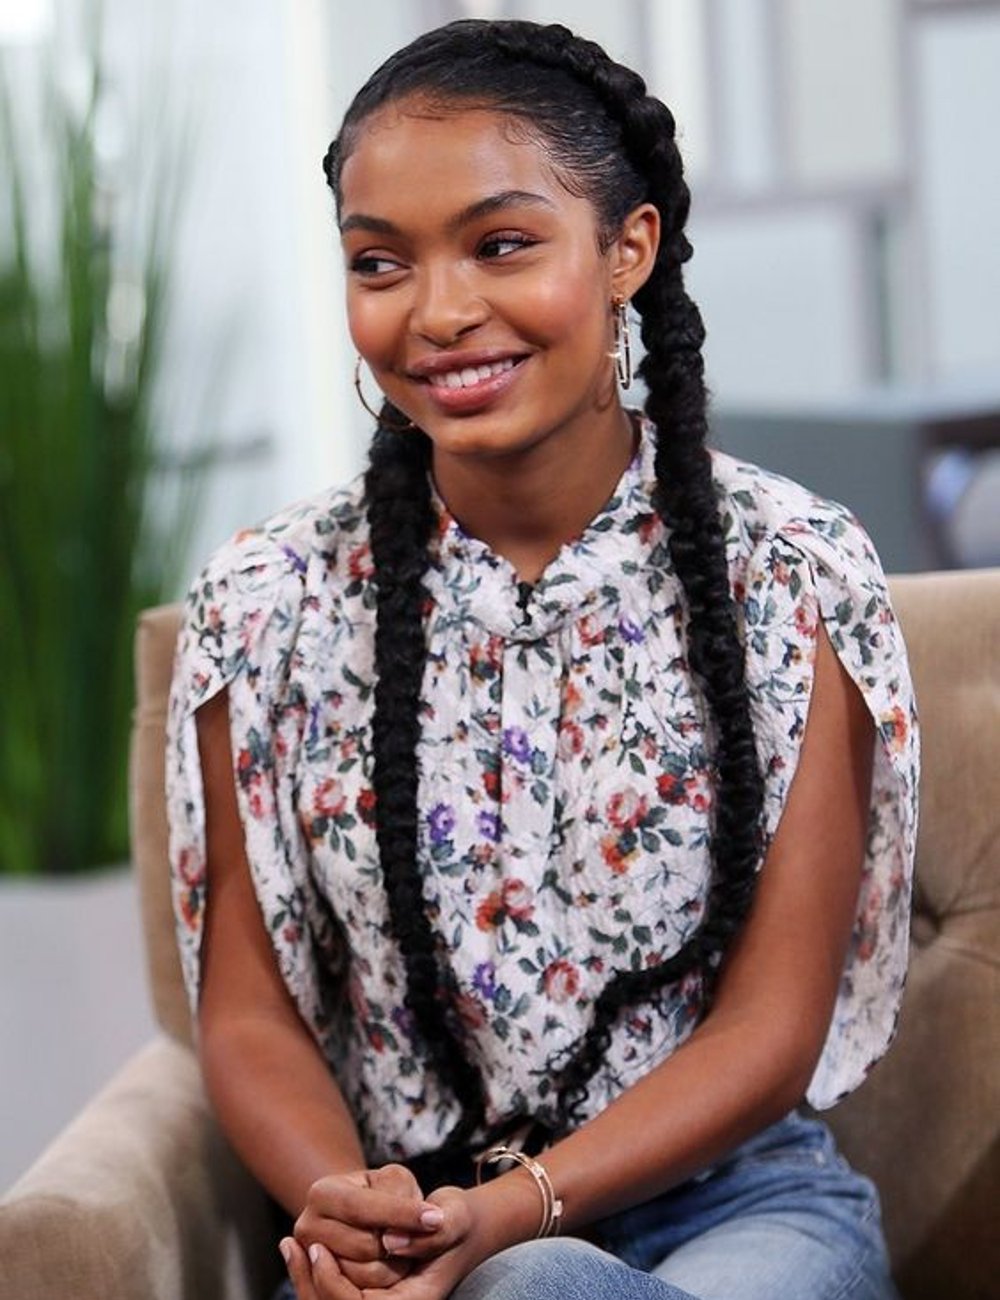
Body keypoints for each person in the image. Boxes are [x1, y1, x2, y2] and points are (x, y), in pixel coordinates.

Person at [166, 19, 918, 1300]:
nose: (441, 311)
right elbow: (248, 1011)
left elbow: (772, 1028)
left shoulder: (795, 574)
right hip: (414, 1226)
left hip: (738, 1216)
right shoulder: (265, 605)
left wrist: (522, 1216)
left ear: (626, 249)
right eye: (379, 262)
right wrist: (347, 1209)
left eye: (501, 243)